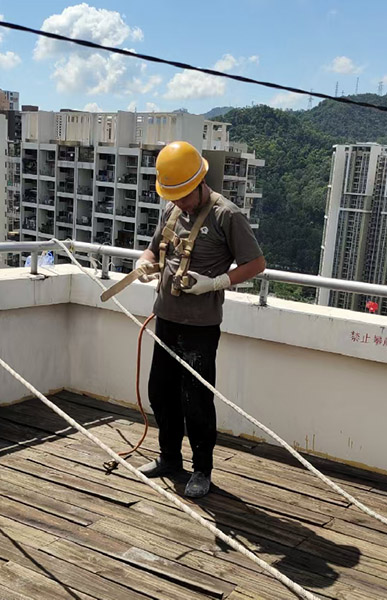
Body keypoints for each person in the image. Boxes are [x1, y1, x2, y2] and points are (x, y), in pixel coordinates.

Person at [135, 141, 266, 498]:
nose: (179, 202)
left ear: (199, 183)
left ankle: (202, 470)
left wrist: (217, 282)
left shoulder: (227, 216)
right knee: (161, 394)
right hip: (167, 317)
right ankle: (169, 459)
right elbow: (153, 245)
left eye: (183, 196)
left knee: (196, 401)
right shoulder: (173, 210)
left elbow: (256, 264)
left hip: (200, 327)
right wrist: (144, 262)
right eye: (173, 197)